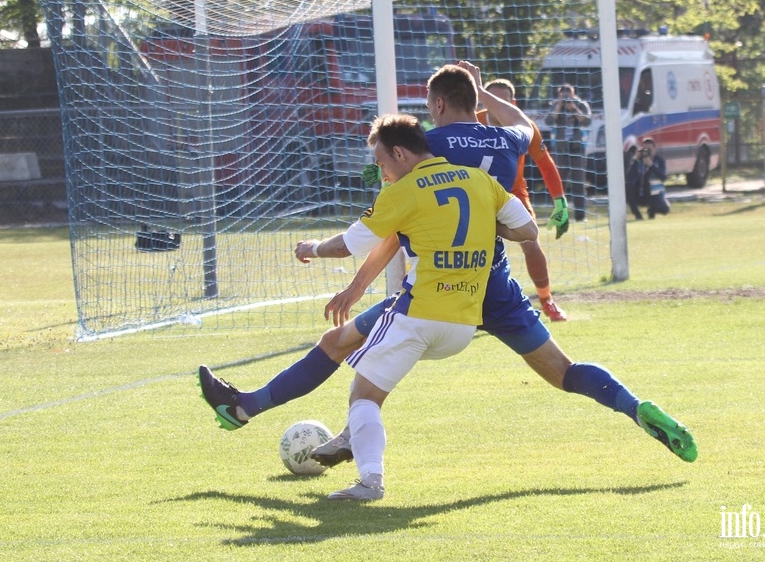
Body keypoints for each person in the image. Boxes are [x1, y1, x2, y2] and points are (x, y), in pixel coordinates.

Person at [197, 62, 697, 487]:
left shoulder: (423, 149)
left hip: (437, 286)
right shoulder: (506, 139)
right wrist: (483, 97)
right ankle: (635, 408)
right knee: (564, 372)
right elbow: (527, 126)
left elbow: (392, 229)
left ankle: (252, 411)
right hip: (492, 280)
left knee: (341, 346)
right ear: (473, 97)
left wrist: (354, 283)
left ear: (434, 106)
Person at [294, 114, 540, 500]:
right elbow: (528, 230)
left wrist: (312, 248)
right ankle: (350, 446)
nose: (382, 173)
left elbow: (347, 245)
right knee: (363, 361)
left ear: (399, 153)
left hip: (418, 315)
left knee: (363, 396)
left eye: (381, 163)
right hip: (462, 327)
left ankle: (370, 481)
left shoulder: (404, 191)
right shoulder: (480, 181)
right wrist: (487, 225)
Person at [477, 78, 569, 322]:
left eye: (501, 100)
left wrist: (560, 201)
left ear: (512, 103)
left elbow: (545, 164)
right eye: (489, 98)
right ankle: (470, 305)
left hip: (514, 193)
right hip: (476, 194)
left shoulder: (524, 126)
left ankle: (547, 300)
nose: (495, 105)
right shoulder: (471, 122)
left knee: (531, 240)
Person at [545, 84, 591, 221]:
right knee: (559, 183)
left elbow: (587, 121)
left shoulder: (581, 105)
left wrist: (574, 109)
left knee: (579, 183)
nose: (565, 97)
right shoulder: (555, 105)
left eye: (568, 94)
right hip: (561, 150)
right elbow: (549, 121)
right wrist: (559, 107)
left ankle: (580, 216)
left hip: (577, 149)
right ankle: (559, 215)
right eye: (562, 94)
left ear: (573, 93)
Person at [626, 138, 670, 221]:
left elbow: (663, 177)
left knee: (665, 209)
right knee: (627, 187)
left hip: (655, 194)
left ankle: (651, 213)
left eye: (649, 149)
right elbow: (629, 177)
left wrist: (651, 165)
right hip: (641, 193)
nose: (647, 152)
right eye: (645, 150)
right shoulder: (638, 161)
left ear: (654, 149)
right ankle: (638, 216)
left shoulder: (659, 160)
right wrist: (635, 160)